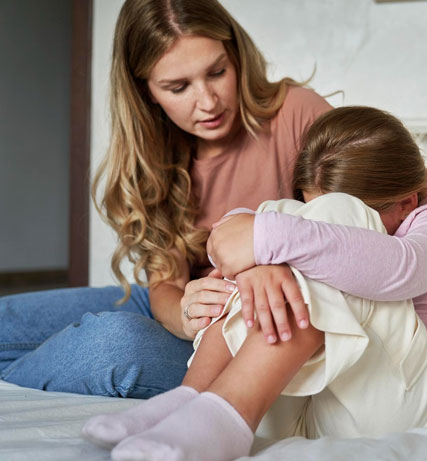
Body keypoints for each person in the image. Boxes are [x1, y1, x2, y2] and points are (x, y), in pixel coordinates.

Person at [82, 106, 427, 461]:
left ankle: (224, 413)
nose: (315, 220)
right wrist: (258, 267)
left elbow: (399, 269)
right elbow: (253, 236)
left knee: (317, 224)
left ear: (406, 200)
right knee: (280, 217)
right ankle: (191, 400)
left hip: (405, 409)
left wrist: (260, 240)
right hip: (309, 403)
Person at [0, 0, 331, 398]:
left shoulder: (297, 113)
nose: (208, 102)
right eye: (178, 87)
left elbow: (357, 232)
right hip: (184, 308)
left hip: (252, 333)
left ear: (236, 54)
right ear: (147, 92)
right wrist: (186, 314)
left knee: (110, 342)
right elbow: (164, 287)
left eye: (218, 72)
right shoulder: (154, 151)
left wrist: (268, 260)